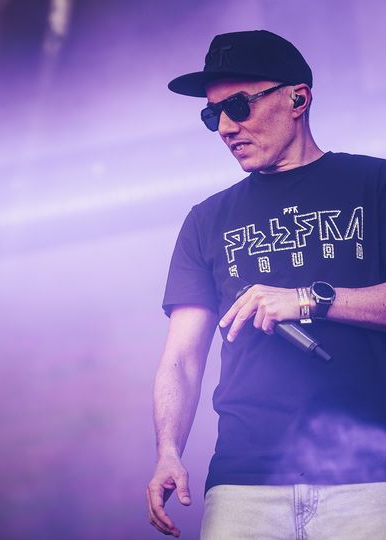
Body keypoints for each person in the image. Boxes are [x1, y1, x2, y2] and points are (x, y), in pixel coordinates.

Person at [146, 29, 386, 539]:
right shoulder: (206, 220)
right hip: (244, 485)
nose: (225, 127)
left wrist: (308, 300)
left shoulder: (377, 185)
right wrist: (168, 450)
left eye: (238, 106)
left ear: (297, 99)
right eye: (212, 115)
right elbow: (181, 358)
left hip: (370, 478)